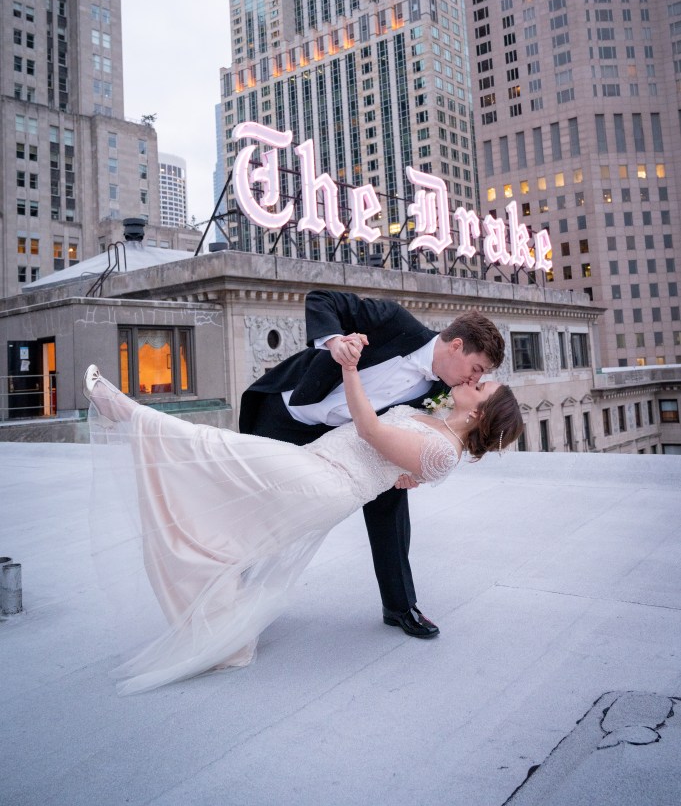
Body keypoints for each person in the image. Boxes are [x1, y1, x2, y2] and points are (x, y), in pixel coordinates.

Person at [85, 344, 522, 694]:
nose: (475, 381)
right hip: (314, 463)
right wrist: (405, 473)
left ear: (480, 412)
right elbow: (403, 465)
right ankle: (227, 639)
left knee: (220, 449)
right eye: (480, 376)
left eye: (483, 387)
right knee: (234, 522)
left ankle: (126, 413)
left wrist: (351, 369)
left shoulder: (445, 450)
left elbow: (372, 431)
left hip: (328, 481)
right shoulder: (439, 426)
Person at [240, 290, 506, 638]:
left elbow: (423, 440)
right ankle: (235, 583)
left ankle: (399, 605)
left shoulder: (443, 390)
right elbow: (322, 299)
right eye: (476, 369)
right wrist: (335, 342)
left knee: (391, 501)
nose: (474, 380)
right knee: (259, 502)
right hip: (288, 411)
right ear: (456, 345)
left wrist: (411, 473)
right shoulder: (395, 321)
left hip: (348, 443)